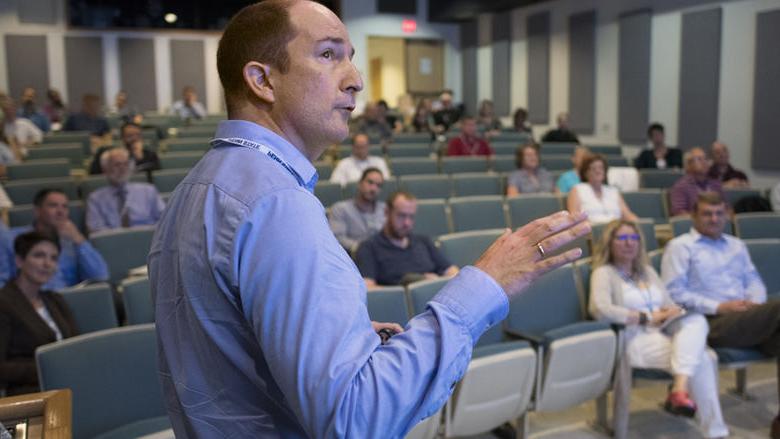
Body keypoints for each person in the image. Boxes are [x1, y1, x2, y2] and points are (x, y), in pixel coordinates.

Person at [149, 1, 590, 437]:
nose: (356, 81)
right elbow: (357, 420)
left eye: (351, 59)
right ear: (262, 80)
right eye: (328, 54)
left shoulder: (195, 189)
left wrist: (347, 336)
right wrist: (486, 284)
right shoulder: (277, 205)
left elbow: (229, 351)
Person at [590, 220, 728, 438]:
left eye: (634, 238)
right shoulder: (604, 273)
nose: (629, 243)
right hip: (633, 338)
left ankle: (679, 389)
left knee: (697, 320)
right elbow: (600, 310)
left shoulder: (646, 271)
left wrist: (670, 312)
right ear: (609, 243)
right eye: (622, 238)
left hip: (663, 330)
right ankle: (714, 430)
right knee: (705, 358)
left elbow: (669, 302)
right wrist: (645, 317)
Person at [662, 192, 780, 438]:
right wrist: (719, 307)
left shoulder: (737, 245)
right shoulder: (680, 247)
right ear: (693, 216)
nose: (713, 219)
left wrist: (753, 304)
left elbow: (754, 282)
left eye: (718, 213)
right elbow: (675, 294)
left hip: (748, 317)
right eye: (707, 213)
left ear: (726, 215)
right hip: (708, 322)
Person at [0, 232, 78, 396]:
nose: (47, 263)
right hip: (31, 392)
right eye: (39, 255)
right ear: (19, 261)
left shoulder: (55, 300)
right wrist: (49, 366)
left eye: (53, 258)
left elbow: (76, 344)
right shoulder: (4, 303)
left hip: (69, 383)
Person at [0, 189, 109, 290]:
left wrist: (80, 241)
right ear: (37, 211)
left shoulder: (73, 241)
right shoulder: (13, 238)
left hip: (72, 301)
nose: (60, 211)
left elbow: (100, 276)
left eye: (65, 207)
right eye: (53, 206)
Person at [356, 191, 458, 288]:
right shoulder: (368, 247)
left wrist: (434, 282)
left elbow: (452, 272)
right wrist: (412, 285)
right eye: (401, 215)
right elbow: (369, 288)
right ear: (387, 212)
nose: (407, 223)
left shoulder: (424, 241)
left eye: (411, 217)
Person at [86, 147, 165, 234]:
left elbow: (165, 220)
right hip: (113, 244)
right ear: (105, 169)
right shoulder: (96, 199)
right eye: (117, 164)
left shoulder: (148, 191)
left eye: (125, 164)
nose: (122, 168)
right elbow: (96, 230)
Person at [568, 154, 638, 224]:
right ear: (585, 173)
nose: (598, 171)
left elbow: (628, 215)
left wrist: (639, 224)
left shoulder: (613, 191)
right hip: (591, 231)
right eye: (593, 168)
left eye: (601, 168)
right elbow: (575, 217)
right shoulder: (577, 189)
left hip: (615, 230)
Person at [328, 168, 385, 254]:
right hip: (352, 258)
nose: (373, 188)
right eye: (370, 182)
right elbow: (337, 238)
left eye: (378, 185)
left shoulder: (385, 209)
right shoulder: (340, 209)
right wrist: (365, 249)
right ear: (360, 183)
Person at [669, 147, 725, 216]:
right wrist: (701, 219)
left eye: (705, 159)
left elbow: (726, 208)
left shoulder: (716, 184)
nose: (704, 162)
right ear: (688, 165)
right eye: (699, 159)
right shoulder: (681, 187)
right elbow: (679, 213)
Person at [88, 122, 160, 175]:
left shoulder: (151, 156)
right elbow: (95, 176)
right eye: (130, 135)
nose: (134, 139)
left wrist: (140, 158)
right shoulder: (108, 155)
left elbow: (155, 179)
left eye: (137, 135)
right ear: (122, 138)